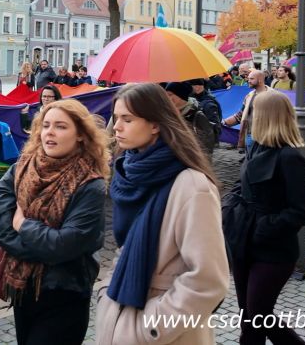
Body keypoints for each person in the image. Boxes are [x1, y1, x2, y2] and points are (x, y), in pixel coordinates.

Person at [96, 83, 229, 344]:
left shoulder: (192, 186)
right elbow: (123, 248)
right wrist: (105, 293)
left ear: (155, 124)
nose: (117, 127)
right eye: (116, 117)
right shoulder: (129, 175)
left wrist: (151, 327)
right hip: (120, 309)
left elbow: (208, 279)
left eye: (127, 119)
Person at [0, 99, 108, 345]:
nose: (50, 132)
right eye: (45, 125)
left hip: (64, 295)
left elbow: (63, 245)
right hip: (24, 290)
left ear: (80, 134)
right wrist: (30, 247)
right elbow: (0, 215)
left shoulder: (91, 184)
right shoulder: (24, 166)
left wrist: (23, 226)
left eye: (61, 126)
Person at [231, 91, 305, 345]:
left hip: (273, 250)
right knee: (249, 317)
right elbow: (243, 185)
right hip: (244, 242)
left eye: (253, 112)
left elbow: (303, 209)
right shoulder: (256, 146)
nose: (249, 117)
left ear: (266, 117)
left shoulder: (290, 157)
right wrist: (228, 209)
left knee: (259, 315)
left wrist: (264, 227)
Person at [223, 69, 271, 152]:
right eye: (248, 79)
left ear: (260, 80)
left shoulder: (272, 96)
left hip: (266, 137)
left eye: (251, 79)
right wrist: (224, 122)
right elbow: (241, 114)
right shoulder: (249, 95)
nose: (248, 81)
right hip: (250, 136)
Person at [164, 81, 216, 157]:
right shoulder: (169, 114)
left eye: (170, 95)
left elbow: (207, 145)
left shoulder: (197, 116)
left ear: (181, 95)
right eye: (166, 95)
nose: (167, 98)